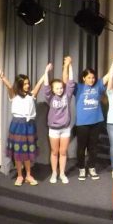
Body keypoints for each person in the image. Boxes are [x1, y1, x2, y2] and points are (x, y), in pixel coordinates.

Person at [0, 65, 48, 186]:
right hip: (17, 125)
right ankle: (20, 175)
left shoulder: (31, 95)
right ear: (20, 85)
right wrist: (2, 77)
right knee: (18, 153)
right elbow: (9, 86)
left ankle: (29, 175)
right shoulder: (14, 95)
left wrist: (45, 71)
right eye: (25, 84)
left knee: (27, 153)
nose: (27, 85)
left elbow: (39, 84)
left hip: (29, 125)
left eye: (28, 83)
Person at [42, 56, 75, 184]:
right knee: (54, 152)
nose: (60, 90)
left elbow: (71, 81)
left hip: (65, 128)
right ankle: (54, 173)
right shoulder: (50, 97)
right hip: (54, 129)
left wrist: (70, 65)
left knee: (63, 152)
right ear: (53, 89)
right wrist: (46, 71)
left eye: (61, 87)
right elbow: (45, 85)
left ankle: (62, 173)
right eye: (57, 88)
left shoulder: (67, 95)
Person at [73, 64, 105, 181]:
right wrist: (68, 66)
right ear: (84, 78)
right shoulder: (78, 87)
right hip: (82, 124)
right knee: (81, 147)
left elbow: (107, 78)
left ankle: (91, 167)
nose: (92, 80)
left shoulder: (97, 86)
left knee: (93, 147)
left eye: (93, 77)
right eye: (89, 77)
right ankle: (82, 168)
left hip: (96, 122)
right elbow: (67, 80)